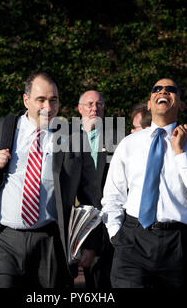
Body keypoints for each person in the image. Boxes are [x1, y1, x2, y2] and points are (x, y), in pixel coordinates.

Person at [0, 72, 101, 288]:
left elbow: (90, 193)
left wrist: (91, 243)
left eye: (53, 100)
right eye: (41, 100)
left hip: (50, 241)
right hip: (3, 239)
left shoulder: (74, 136)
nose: (48, 108)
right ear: (26, 100)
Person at [101, 78, 187, 288]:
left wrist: (181, 152)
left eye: (171, 89)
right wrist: (115, 235)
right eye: (157, 88)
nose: (163, 91)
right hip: (132, 240)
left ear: (181, 104)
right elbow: (113, 195)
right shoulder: (129, 144)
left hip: (178, 244)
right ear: (149, 103)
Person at [77, 90, 115, 288]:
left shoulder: (116, 138)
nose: (95, 108)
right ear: (80, 108)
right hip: (80, 222)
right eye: (90, 104)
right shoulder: (67, 138)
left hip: (112, 222)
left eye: (99, 104)